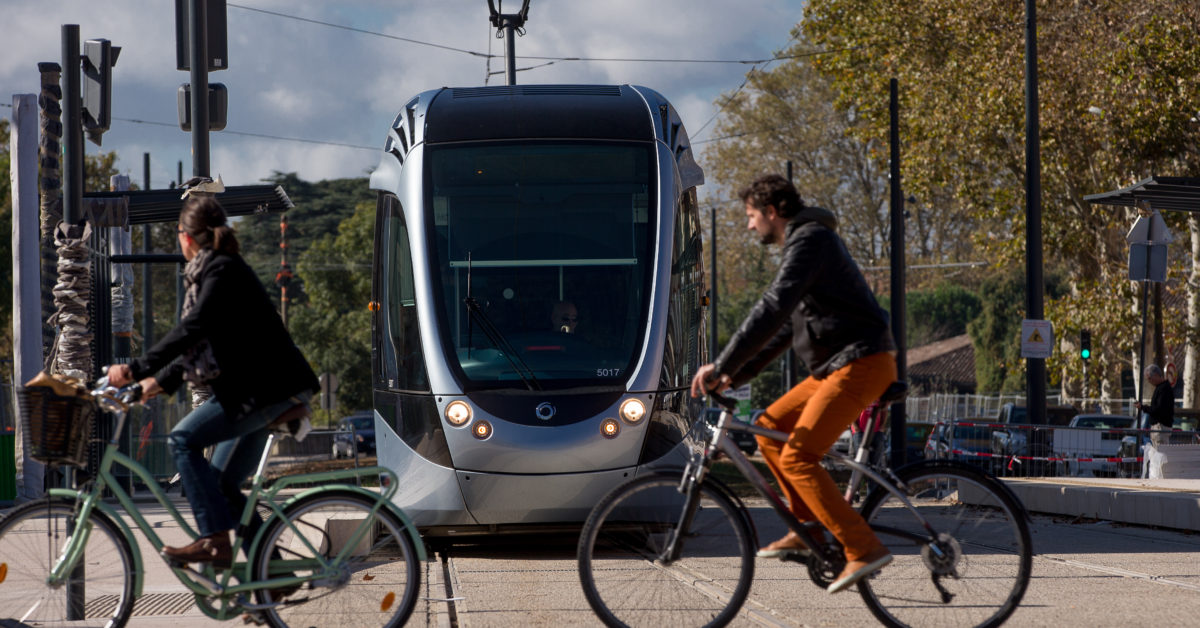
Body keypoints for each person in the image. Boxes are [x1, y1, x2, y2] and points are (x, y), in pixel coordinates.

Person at [690, 174, 896, 594]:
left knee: (799, 457)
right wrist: (734, 374)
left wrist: (723, 362)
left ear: (771, 212)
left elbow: (772, 306)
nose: (749, 226)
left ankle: (862, 547)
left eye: (750, 216)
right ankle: (809, 529)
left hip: (862, 362)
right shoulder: (804, 245)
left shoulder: (810, 240)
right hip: (840, 366)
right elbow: (785, 329)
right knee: (771, 427)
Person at [108, 195, 319, 568]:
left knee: (182, 439)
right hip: (257, 390)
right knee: (223, 486)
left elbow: (194, 328)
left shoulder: (221, 271)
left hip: (264, 391)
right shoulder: (216, 270)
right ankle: (271, 575)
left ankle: (212, 541)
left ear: (186, 237)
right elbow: (201, 345)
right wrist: (149, 384)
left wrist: (134, 369)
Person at [1135, 364, 1174, 448]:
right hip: (1158, 427)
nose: (1149, 381)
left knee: (1160, 455)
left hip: (1160, 427)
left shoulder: (1164, 389)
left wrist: (1143, 407)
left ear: (1156, 375)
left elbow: (1158, 409)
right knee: (1157, 454)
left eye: (1149, 378)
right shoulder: (1161, 388)